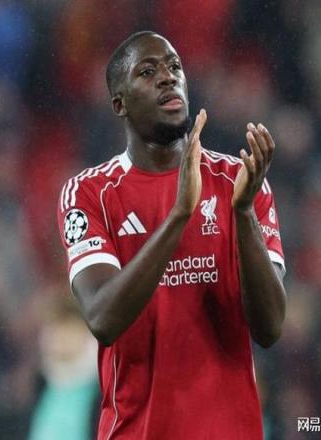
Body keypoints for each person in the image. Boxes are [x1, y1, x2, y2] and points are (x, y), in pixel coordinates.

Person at [57, 30, 286, 439]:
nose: (168, 77)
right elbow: (103, 318)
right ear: (119, 103)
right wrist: (180, 214)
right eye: (148, 71)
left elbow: (269, 327)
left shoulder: (239, 182)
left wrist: (244, 213)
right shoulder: (90, 193)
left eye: (175, 67)